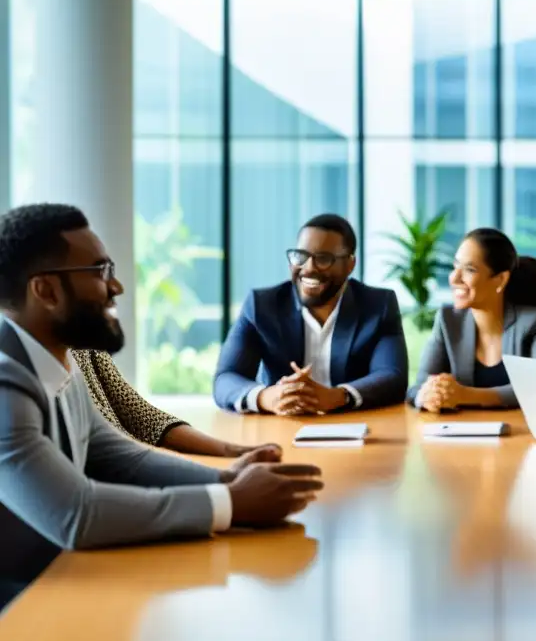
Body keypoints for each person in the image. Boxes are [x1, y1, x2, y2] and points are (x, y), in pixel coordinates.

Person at [0, 204, 323, 610]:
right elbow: (76, 515)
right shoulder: (5, 383)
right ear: (45, 291)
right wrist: (232, 503)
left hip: (69, 579)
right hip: (22, 606)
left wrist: (225, 480)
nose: (115, 286)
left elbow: (117, 456)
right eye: (99, 271)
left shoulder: (61, 358)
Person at [214, 214, 408, 415]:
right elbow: (225, 378)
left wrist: (337, 396)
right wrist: (266, 397)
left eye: (323, 259)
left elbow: (392, 376)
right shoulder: (262, 305)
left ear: (350, 264)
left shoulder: (378, 305)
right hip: (281, 428)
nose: (308, 268)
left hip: (353, 426)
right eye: (300, 256)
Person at [407, 228, 536, 411]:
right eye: (455, 266)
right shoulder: (447, 319)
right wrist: (426, 396)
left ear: (500, 280)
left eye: (469, 269)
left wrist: (465, 395)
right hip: (459, 434)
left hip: (518, 434)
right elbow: (416, 388)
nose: (454, 278)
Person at [72, 349, 273, 457]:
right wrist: (222, 480)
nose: (115, 287)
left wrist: (229, 451)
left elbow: (144, 418)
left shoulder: (84, 343)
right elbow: (115, 453)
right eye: (99, 271)